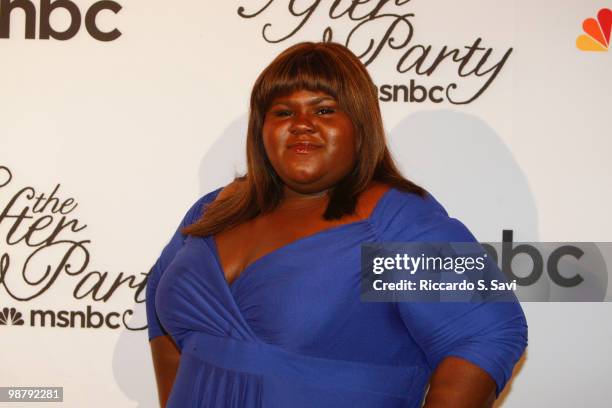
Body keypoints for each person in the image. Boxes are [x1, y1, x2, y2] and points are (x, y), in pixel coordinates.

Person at [146, 41, 527, 408]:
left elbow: (488, 333)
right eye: (283, 112)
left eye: (324, 110)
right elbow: (161, 309)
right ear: (262, 130)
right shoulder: (214, 209)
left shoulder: (394, 221)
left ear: (359, 126)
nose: (302, 124)